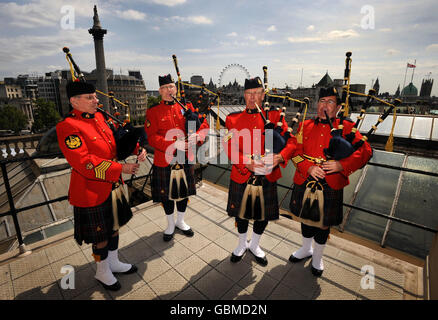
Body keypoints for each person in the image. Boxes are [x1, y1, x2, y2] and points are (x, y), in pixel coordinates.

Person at [56, 81, 147, 291]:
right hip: (91, 190)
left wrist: (136, 149)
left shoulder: (100, 117)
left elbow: (115, 142)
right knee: (100, 235)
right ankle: (102, 271)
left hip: (112, 186)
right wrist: (119, 169)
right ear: (74, 101)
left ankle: (113, 262)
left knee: (113, 227)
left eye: (95, 97)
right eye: (90, 97)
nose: (96, 100)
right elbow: (85, 163)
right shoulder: (68, 126)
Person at [287, 86, 372, 276]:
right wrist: (308, 167)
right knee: (305, 218)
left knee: (323, 223)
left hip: (330, 183)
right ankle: (306, 249)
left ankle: (317, 257)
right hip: (305, 178)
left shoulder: (347, 127)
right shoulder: (305, 125)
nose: (325, 105)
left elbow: (366, 151)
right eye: (322, 101)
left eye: (330, 102)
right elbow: (295, 152)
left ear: (339, 107)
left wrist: (343, 165)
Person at [224, 77, 296, 266]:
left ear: (263, 95)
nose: (252, 97)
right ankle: (241, 244)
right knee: (241, 215)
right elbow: (229, 146)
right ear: (244, 95)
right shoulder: (232, 119)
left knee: (262, 215)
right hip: (242, 174)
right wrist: (245, 162)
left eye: (257, 93)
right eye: (249, 93)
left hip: (267, 176)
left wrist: (280, 157)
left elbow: (292, 142)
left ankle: (255, 245)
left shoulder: (274, 117)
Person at [145, 74, 209, 241]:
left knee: (183, 193)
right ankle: (170, 224)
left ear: (176, 89)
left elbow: (204, 126)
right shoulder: (153, 112)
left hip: (186, 157)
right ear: (160, 91)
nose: (168, 90)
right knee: (166, 195)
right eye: (165, 88)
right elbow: (151, 138)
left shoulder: (187, 107)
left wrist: (198, 137)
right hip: (165, 159)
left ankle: (180, 221)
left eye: (171, 87)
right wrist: (173, 144)